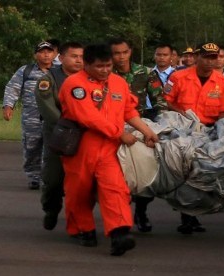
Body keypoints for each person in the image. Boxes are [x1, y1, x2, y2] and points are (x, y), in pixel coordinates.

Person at [59, 43, 158, 256]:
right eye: (100, 66)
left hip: (109, 148)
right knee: (79, 190)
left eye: (108, 65)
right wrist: (119, 133)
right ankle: (83, 229)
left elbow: (128, 110)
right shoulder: (74, 84)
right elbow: (87, 116)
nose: (105, 70)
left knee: (115, 189)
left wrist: (146, 130)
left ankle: (119, 234)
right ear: (86, 64)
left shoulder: (119, 83)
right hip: (81, 145)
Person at [164, 42, 224, 234]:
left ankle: (191, 214)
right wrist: (184, 116)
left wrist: (222, 134)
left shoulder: (223, 82)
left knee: (201, 173)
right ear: (197, 57)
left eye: (215, 57)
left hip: (208, 133)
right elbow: (166, 101)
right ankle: (186, 215)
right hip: (181, 132)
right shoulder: (178, 77)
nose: (211, 61)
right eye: (207, 57)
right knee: (181, 172)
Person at [109, 38, 168, 233]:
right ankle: (121, 216)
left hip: (140, 127)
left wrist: (158, 126)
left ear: (130, 51)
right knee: (118, 176)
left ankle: (141, 212)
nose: (121, 57)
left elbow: (159, 100)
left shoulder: (145, 73)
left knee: (145, 172)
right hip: (113, 128)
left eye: (124, 52)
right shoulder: (105, 73)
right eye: (116, 53)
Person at [33, 42, 84, 231]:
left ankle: (79, 221)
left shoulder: (90, 79)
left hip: (86, 136)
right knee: (53, 178)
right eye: (74, 56)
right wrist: (71, 125)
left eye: (81, 56)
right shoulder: (49, 79)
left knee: (82, 181)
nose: (78, 60)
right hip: (59, 135)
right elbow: (48, 109)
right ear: (61, 58)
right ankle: (51, 209)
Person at [3, 41, 55, 190]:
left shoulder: (59, 71)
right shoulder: (26, 71)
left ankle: (49, 177)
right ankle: (34, 176)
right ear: (35, 55)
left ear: (54, 54)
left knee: (51, 149)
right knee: (32, 147)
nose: (46, 54)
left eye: (49, 51)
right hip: (31, 117)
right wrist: (8, 106)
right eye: (42, 51)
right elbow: (12, 88)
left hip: (53, 117)